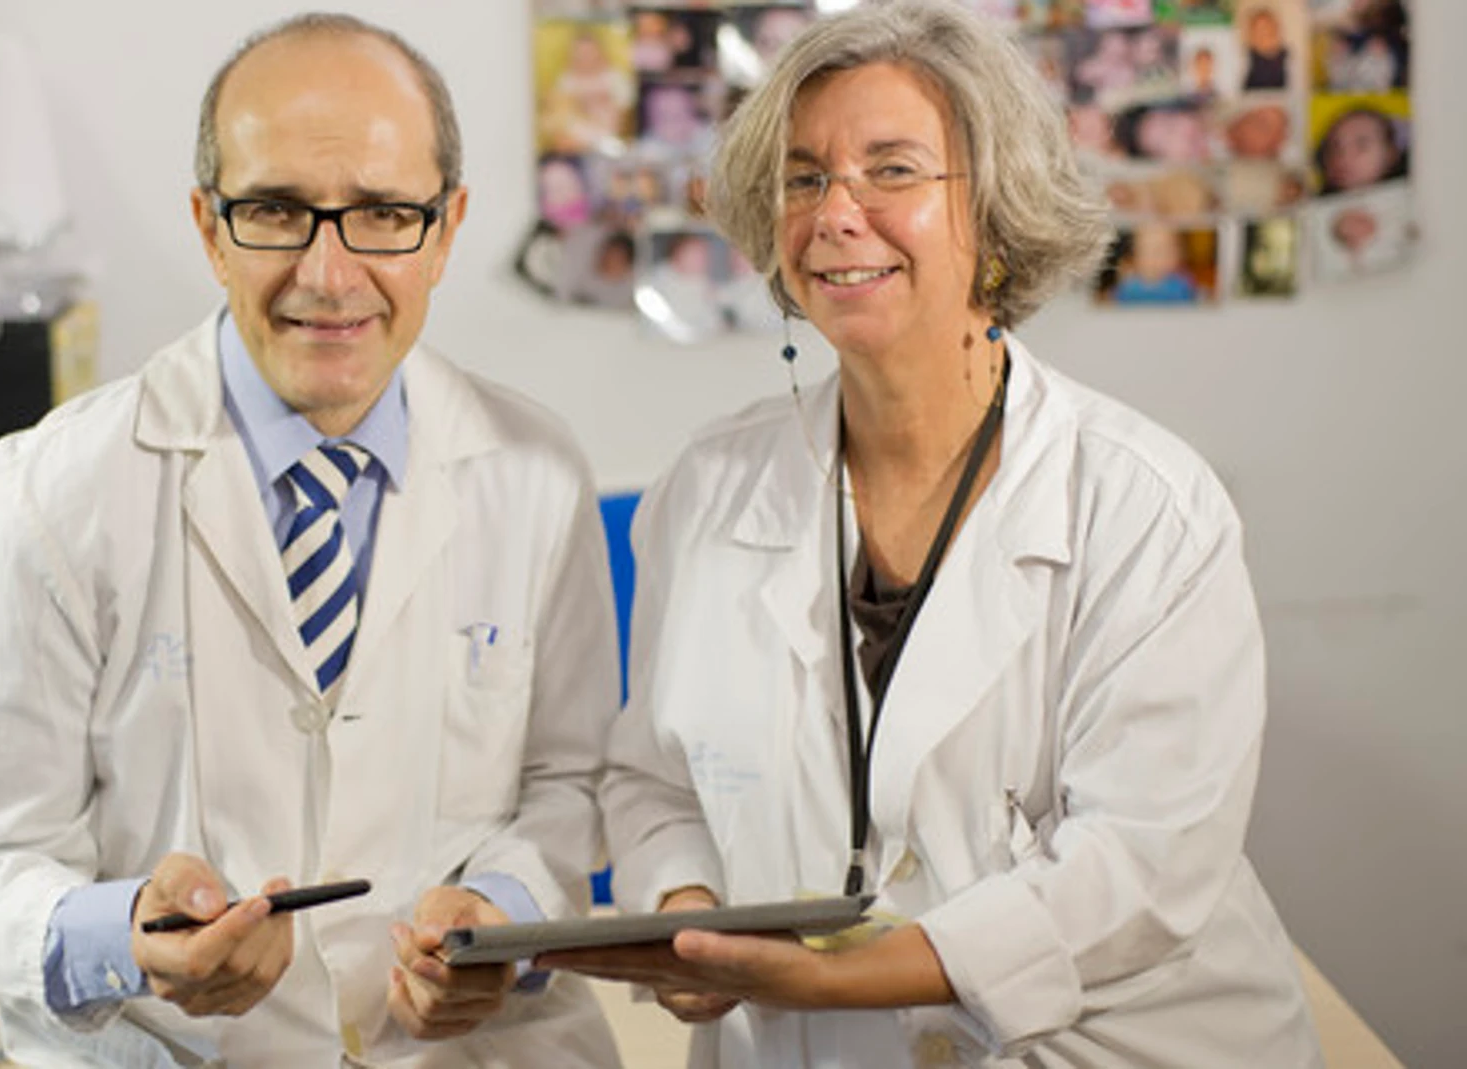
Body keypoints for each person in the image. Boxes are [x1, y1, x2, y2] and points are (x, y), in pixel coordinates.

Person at [544, 2, 1324, 1065]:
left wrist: (833, 974)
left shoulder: (1144, 506)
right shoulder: (707, 488)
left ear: (994, 209)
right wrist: (687, 913)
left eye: (893, 171)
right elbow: (651, 783)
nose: (835, 213)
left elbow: (1140, 864)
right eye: (804, 176)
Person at [0, 13, 624, 1067]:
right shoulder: (48, 492)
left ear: (446, 226)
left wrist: (498, 915)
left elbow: (575, 783)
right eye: (276, 212)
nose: (328, 274)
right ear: (208, 224)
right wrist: (127, 942)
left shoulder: (536, 469)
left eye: (383, 214)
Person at [1315, 105, 1409, 194]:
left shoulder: (1413, 199)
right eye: (1335, 147)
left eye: (1361, 145)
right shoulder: (1312, 206)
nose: (1344, 156)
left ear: (1391, 154)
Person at [1111, 222, 1200, 303]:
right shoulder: (1128, 286)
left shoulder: (1181, 285)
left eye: (1161, 250)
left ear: (1176, 256)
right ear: (1135, 254)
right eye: (1146, 250)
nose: (1153, 257)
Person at [1241, 5, 1289, 89]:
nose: (1263, 34)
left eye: (1266, 28)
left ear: (1275, 29)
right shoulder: (1243, 58)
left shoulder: (1289, 58)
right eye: (1258, 30)